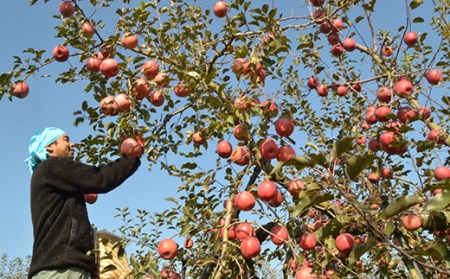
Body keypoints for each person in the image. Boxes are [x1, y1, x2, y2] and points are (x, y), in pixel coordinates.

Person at [25, 127, 141, 279]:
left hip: (59, 267)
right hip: (62, 269)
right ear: (49, 146)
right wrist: (131, 156)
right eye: (66, 139)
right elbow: (100, 179)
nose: (72, 144)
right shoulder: (51, 166)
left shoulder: (48, 175)